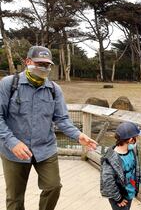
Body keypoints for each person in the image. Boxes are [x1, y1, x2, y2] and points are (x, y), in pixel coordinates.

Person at [0, 46, 98, 210]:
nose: (44, 68)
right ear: (28, 62)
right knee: (15, 198)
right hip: (14, 151)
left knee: (53, 186)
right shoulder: (9, 84)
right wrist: (12, 142)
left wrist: (78, 135)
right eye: (40, 63)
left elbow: (62, 119)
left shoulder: (54, 89)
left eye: (47, 64)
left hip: (45, 148)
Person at [100, 121, 141, 210]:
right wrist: (118, 199)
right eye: (137, 137)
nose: (138, 138)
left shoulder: (132, 151)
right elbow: (108, 182)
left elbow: (136, 167)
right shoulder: (110, 159)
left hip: (129, 191)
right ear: (131, 140)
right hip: (118, 196)